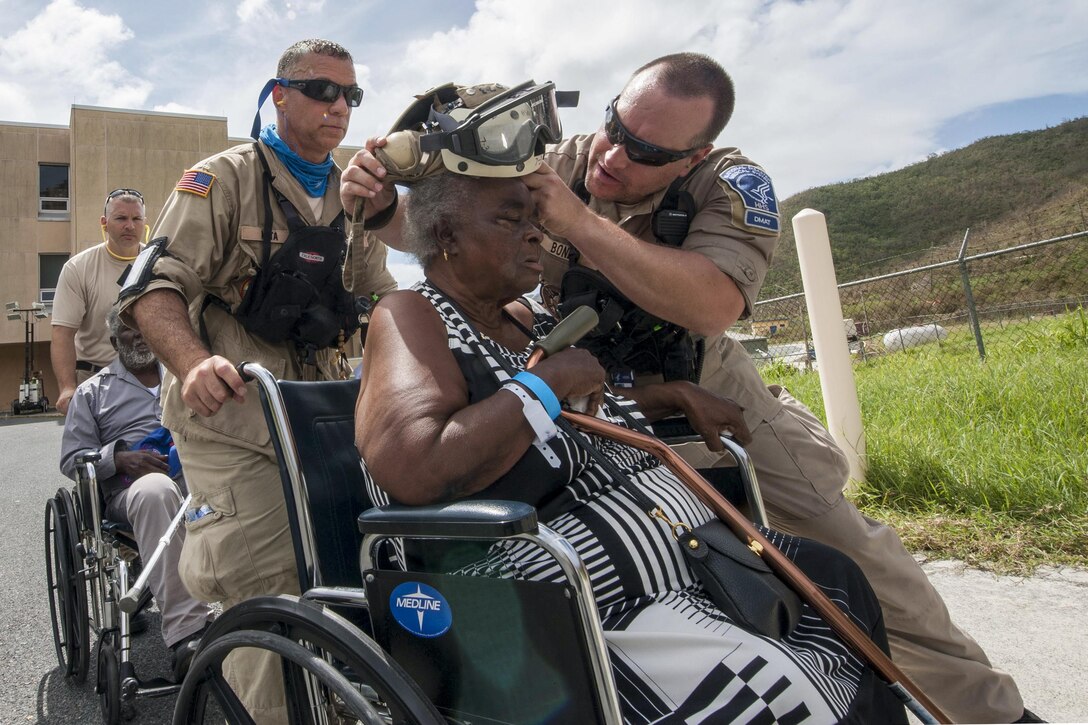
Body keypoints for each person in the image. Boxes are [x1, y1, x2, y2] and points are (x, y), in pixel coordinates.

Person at [342, 54, 1039, 724]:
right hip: (579, 408)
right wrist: (379, 207)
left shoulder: (728, 186)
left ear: (693, 158)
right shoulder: (548, 171)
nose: (614, 156)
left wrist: (574, 227)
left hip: (695, 379)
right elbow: (451, 228)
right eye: (615, 127)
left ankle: (990, 711)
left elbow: (710, 304)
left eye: (645, 152)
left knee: (852, 571)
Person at [355, 167, 907, 724]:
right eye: (509, 220)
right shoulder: (410, 314)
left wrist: (667, 394)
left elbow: (575, 413)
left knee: (835, 581)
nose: (535, 236)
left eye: (534, 220)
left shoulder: (521, 321)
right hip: (560, 593)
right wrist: (546, 383)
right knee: (772, 682)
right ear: (446, 236)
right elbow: (417, 463)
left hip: (677, 552)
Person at [119, 39, 397, 721]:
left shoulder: (353, 195)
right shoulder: (220, 179)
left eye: (350, 96)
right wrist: (192, 363)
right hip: (234, 416)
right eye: (322, 91)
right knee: (269, 583)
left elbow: (387, 298)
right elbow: (153, 290)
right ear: (279, 94)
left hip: (325, 419)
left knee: (355, 570)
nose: (339, 108)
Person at [60, 307, 213, 681]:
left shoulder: (183, 374)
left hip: (196, 479)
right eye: (129, 331)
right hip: (132, 495)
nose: (140, 336)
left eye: (146, 327)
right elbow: (71, 460)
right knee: (156, 491)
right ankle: (187, 634)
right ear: (115, 342)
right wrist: (119, 458)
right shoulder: (92, 392)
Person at [51, 189, 148, 414]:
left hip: (148, 378)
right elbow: (62, 333)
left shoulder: (158, 264)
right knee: (94, 449)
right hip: (95, 379)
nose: (130, 226)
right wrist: (67, 388)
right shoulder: (78, 268)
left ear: (144, 222)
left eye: (136, 219)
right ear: (104, 222)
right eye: (121, 218)